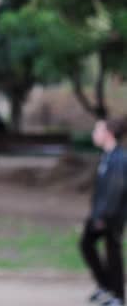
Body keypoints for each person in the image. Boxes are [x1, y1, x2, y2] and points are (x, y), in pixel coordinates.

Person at [81, 116, 127, 306]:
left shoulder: (118, 158)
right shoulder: (108, 156)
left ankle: (117, 295)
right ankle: (107, 287)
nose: (94, 134)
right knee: (88, 245)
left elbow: (115, 191)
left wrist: (102, 217)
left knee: (112, 252)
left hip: (111, 217)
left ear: (108, 134)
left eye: (97, 130)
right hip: (102, 215)